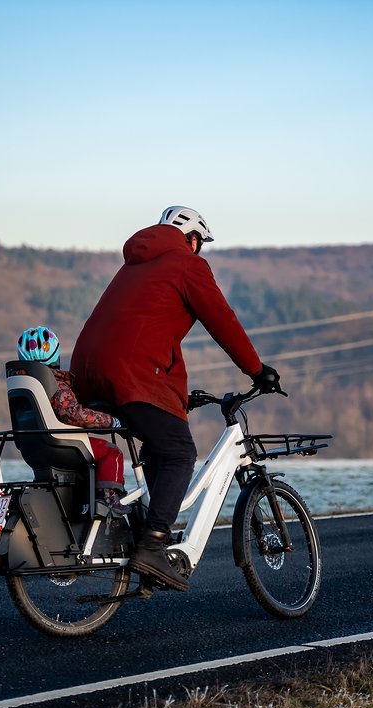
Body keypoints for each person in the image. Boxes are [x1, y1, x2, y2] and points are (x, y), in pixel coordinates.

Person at [71, 206, 282, 592]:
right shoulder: (186, 265)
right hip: (129, 374)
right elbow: (223, 321)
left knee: (158, 447)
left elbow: (143, 330)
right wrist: (256, 370)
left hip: (88, 374)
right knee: (179, 453)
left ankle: (145, 537)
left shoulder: (134, 265)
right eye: (200, 245)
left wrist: (173, 394)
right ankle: (152, 545)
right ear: (193, 239)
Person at [16, 326, 127, 515]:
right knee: (111, 452)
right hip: (61, 445)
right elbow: (72, 414)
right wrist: (111, 421)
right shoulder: (53, 383)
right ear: (55, 355)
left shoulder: (20, 381)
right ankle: (107, 499)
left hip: (32, 447)